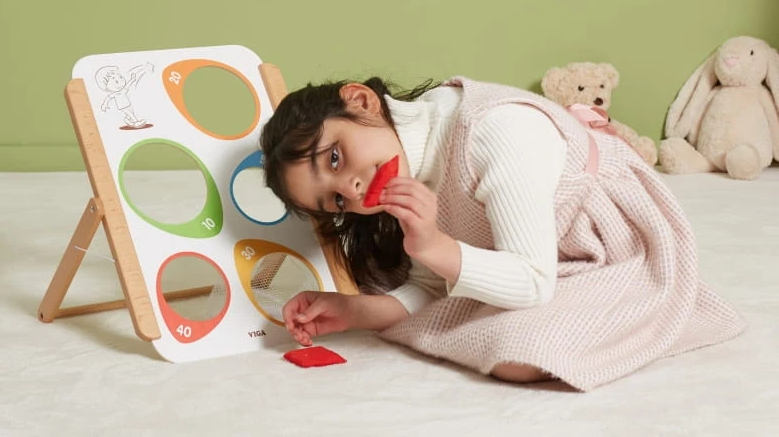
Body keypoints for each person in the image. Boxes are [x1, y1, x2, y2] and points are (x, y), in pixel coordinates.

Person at [260, 74, 744, 391]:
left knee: (520, 354)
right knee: (454, 318)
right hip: (530, 255)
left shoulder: (495, 131)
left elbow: (532, 281)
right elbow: (433, 286)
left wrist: (435, 245)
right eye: (336, 201)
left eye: (335, 158)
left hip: (607, 243)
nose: (353, 188)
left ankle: (647, 305)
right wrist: (353, 311)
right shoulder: (405, 166)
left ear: (361, 101)